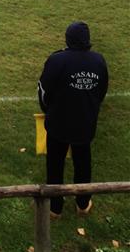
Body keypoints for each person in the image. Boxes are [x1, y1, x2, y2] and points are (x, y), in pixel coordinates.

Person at [38, 22, 108, 218]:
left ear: (67, 38)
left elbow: (43, 91)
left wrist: (48, 110)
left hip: (58, 122)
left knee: (55, 163)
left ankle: (55, 208)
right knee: (83, 161)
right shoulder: (99, 61)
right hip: (85, 122)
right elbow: (101, 91)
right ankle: (83, 203)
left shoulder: (57, 60)